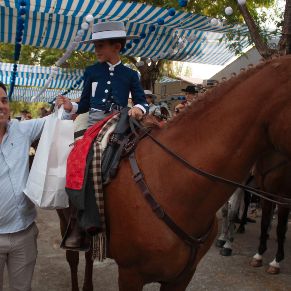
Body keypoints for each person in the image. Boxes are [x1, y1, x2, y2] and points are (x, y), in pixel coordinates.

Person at [58, 21, 148, 125]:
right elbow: (85, 104)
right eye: (95, 46)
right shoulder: (91, 71)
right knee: (83, 141)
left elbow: (142, 102)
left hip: (120, 123)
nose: (96, 51)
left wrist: (138, 108)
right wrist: (71, 106)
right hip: (94, 124)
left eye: (100, 46)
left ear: (117, 47)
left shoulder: (131, 74)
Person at [0, 81, 44, 290]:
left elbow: (52, 121)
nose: (1, 106)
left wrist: (66, 107)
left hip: (23, 234)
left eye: (4, 100)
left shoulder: (22, 130)